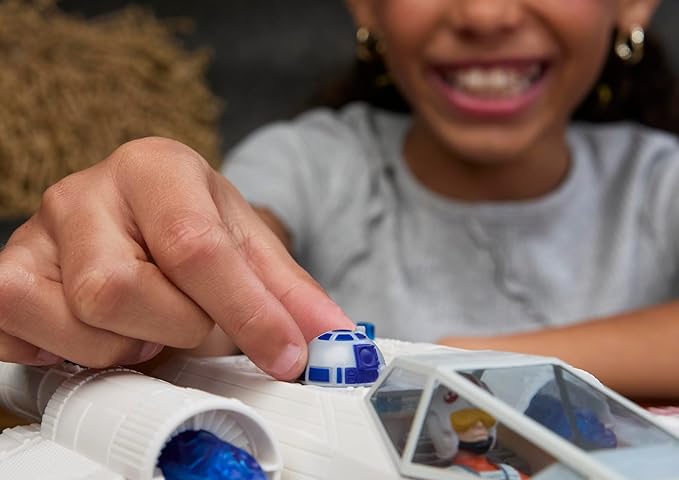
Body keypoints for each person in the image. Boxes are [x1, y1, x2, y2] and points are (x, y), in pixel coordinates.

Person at [0, 0, 677, 402]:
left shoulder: (660, 179)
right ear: (365, 6)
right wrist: (146, 269)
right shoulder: (308, 161)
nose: (484, 14)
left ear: (633, 4)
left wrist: (447, 359)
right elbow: (215, 307)